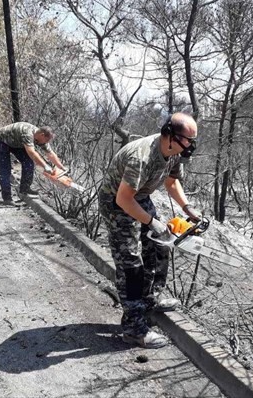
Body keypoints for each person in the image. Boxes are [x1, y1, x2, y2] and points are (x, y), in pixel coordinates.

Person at [98, 112, 202, 349]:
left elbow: (172, 181)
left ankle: (150, 299)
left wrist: (187, 207)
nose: (190, 146)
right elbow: (124, 200)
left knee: (159, 247)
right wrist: (151, 222)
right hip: (116, 203)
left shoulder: (174, 153)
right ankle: (133, 330)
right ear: (170, 135)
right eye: (187, 140)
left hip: (140, 197)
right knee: (131, 265)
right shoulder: (142, 157)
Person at [0, 122, 66, 205]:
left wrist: (61, 167)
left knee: (28, 163)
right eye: (46, 140)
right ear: (42, 135)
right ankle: (7, 198)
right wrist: (45, 166)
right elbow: (32, 153)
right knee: (4, 169)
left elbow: (50, 153)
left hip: (16, 143)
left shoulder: (40, 137)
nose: (46, 142)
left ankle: (25, 189)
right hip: (1, 141)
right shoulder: (28, 134)